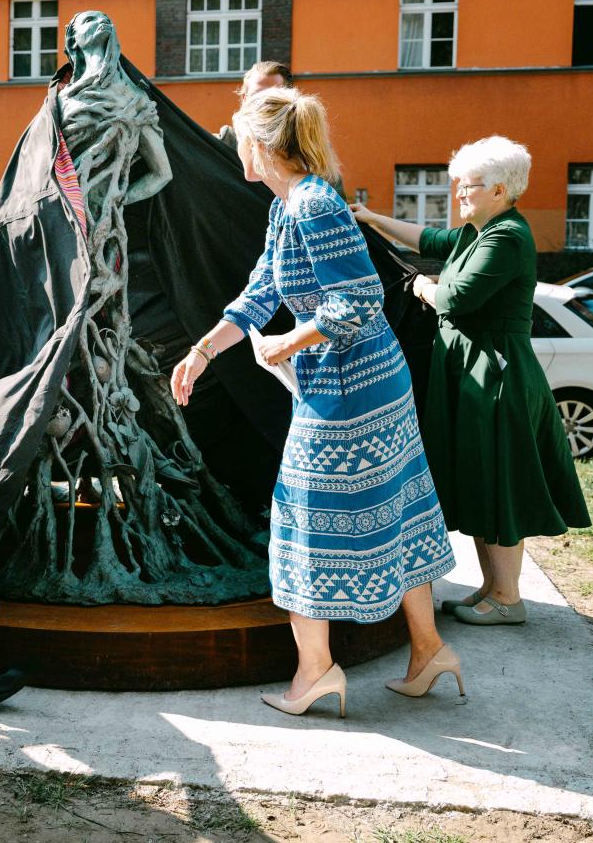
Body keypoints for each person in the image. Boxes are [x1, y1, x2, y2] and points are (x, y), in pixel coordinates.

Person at [171, 87, 461, 716]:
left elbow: (357, 300)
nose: (234, 145)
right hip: (363, 382)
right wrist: (202, 351)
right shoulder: (287, 207)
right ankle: (429, 648)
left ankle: (315, 672)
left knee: (300, 521)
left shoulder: (313, 205)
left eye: (238, 135)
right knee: (395, 507)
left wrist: (285, 344)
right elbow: (260, 289)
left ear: (260, 144)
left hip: (350, 387)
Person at [351, 136, 590, 625]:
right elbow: (428, 240)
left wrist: (423, 285)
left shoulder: (507, 237)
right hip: (474, 372)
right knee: (481, 482)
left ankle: (508, 599)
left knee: (497, 482)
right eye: (458, 183)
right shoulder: (479, 231)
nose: (459, 193)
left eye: (469, 186)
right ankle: (491, 589)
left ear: (500, 189)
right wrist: (373, 219)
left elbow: (456, 297)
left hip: (495, 375)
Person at [217, 61, 292, 148]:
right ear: (245, 99)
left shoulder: (301, 144)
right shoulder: (227, 143)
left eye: (274, 97)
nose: (264, 104)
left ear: (289, 100)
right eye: (256, 96)